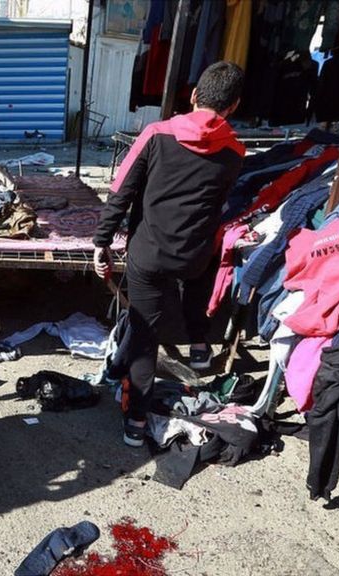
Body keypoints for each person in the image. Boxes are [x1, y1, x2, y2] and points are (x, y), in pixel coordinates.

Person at [92, 61, 246, 448]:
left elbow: (121, 191)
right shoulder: (235, 151)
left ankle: (136, 422)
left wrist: (101, 242)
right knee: (200, 273)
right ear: (233, 106)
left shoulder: (156, 134)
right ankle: (198, 345)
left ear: (193, 95)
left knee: (146, 333)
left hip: (149, 253)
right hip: (194, 255)